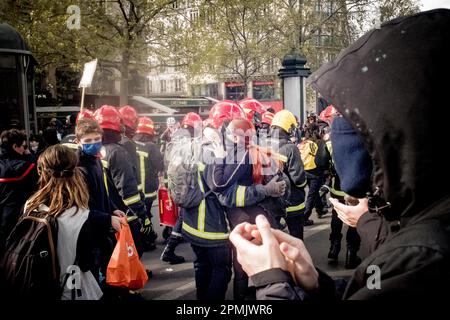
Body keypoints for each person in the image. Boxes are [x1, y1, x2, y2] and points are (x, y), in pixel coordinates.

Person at [229, 9, 450, 300]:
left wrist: (272, 282)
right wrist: (318, 286)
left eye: (354, 118)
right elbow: (372, 286)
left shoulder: (420, 256)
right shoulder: (416, 241)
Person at [24, 145, 122, 300]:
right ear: (75, 173)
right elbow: (86, 261)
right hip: (72, 288)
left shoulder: (30, 205)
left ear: (40, 172)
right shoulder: (81, 215)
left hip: (37, 284)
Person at [94, 106, 150, 258]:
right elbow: (128, 190)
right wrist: (142, 215)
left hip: (103, 215)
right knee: (132, 256)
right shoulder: (117, 152)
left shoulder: (95, 151)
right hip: (124, 216)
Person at [161, 112, 202, 264]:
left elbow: (167, 163)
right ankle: (175, 250)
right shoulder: (192, 143)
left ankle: (169, 250)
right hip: (191, 187)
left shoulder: (174, 141)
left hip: (177, 187)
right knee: (189, 218)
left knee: (183, 217)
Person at [323, 119, 361, 268]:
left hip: (336, 186)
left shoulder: (330, 143)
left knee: (336, 216)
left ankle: (334, 247)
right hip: (355, 186)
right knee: (354, 220)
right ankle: (351, 254)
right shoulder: (360, 139)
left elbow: (321, 162)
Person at [269, 110, 307, 240]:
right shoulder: (290, 148)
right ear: (289, 127)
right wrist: (304, 184)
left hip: (271, 201)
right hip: (292, 201)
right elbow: (299, 178)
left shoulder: (262, 144)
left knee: (273, 239)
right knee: (296, 239)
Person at [0, 129, 38, 256]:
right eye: (24, 146)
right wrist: (29, 155)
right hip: (18, 216)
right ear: (15, 147)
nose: (25, 149)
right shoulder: (25, 166)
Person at [134, 116, 164, 252]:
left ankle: (146, 237)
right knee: (146, 214)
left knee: (138, 214)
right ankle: (147, 239)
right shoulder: (151, 147)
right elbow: (160, 165)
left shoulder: (130, 143)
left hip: (134, 188)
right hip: (148, 188)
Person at [301, 123, 329, 226]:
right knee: (312, 195)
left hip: (304, 170)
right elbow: (324, 158)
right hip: (315, 171)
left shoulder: (303, 142)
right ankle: (305, 216)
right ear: (317, 131)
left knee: (314, 192)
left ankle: (320, 209)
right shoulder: (319, 142)